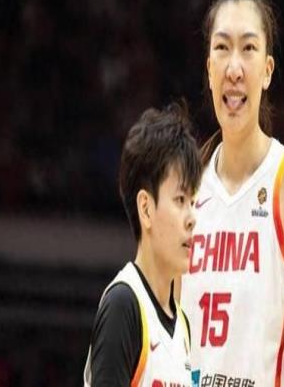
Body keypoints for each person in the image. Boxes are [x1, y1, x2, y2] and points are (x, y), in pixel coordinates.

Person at [180, 0, 284, 386]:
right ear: (209, 70)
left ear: (267, 71)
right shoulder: (186, 188)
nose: (234, 68)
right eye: (222, 48)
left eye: (248, 48)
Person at [83, 103, 202, 387]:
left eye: (194, 202)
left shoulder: (182, 325)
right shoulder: (123, 306)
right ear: (146, 209)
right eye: (180, 200)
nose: (192, 218)